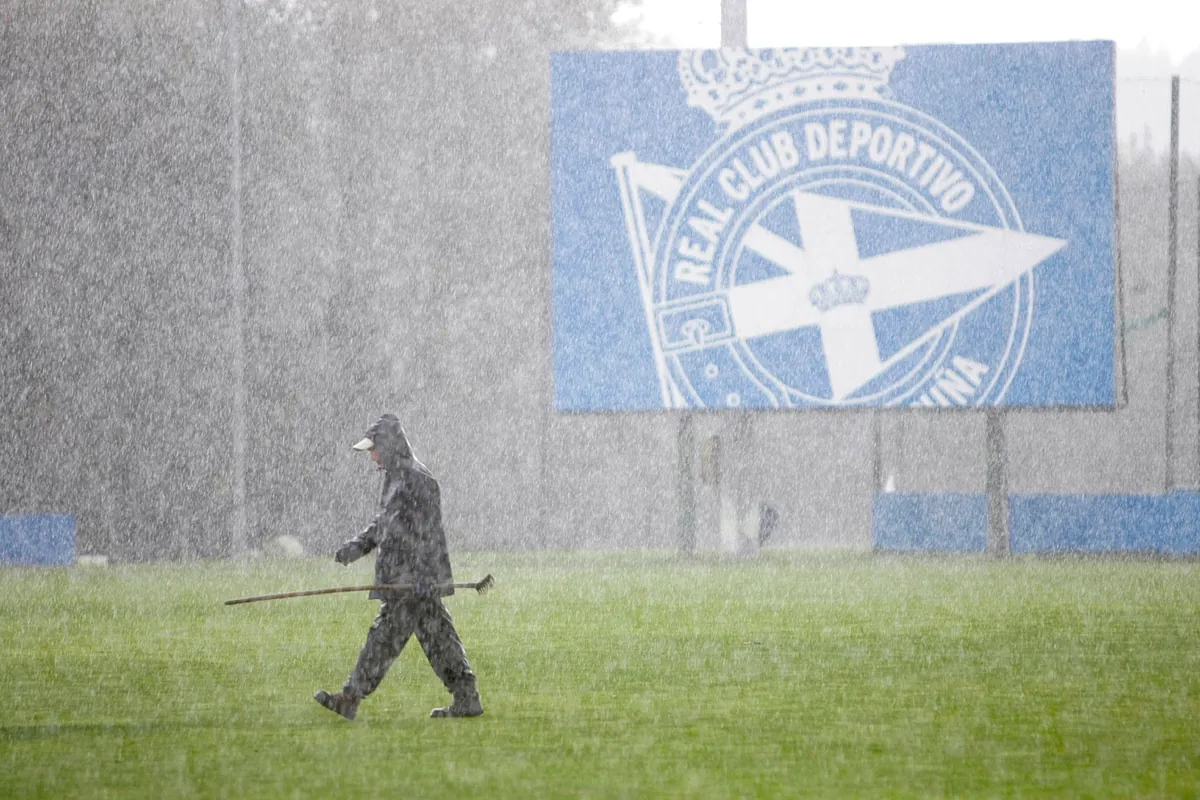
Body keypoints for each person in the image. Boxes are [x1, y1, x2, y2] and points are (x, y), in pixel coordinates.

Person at [314, 414, 483, 721]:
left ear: (389, 446)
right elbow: (387, 523)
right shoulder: (397, 475)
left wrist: (423, 576)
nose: (371, 455)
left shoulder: (416, 478)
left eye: (374, 448)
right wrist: (360, 545)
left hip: (412, 579)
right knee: (437, 636)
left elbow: (427, 532)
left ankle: (350, 697)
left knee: (386, 636)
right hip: (406, 577)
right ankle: (466, 696)